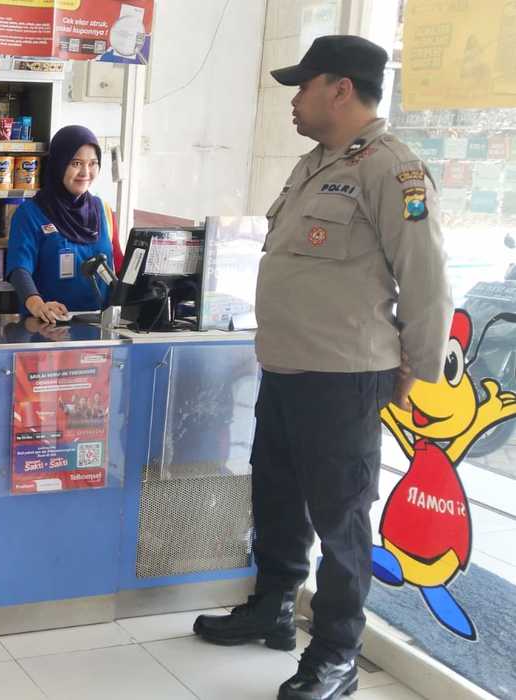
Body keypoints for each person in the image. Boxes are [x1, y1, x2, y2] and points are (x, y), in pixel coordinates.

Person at [193, 36, 452, 700]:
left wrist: (415, 371)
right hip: (286, 369)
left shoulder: (394, 171)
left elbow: (427, 282)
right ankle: (274, 608)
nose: (293, 101)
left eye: (303, 87)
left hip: (344, 379)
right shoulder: (315, 164)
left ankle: (336, 654)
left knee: (341, 522)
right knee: (276, 499)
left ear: (340, 89)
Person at [6, 125, 124, 323]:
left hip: (100, 325)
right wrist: (37, 304)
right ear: (59, 164)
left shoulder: (103, 210)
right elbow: (19, 269)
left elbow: (118, 265)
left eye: (93, 163)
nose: (85, 172)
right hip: (50, 325)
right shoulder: (30, 213)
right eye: (76, 163)